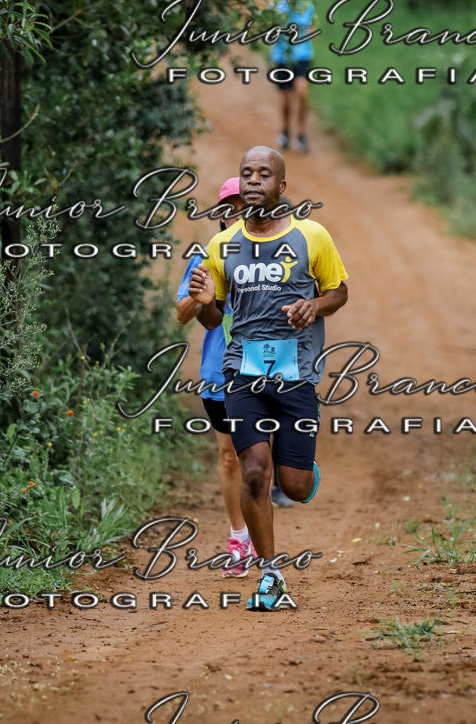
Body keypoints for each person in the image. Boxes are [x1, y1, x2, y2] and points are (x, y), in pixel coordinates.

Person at [189, 146, 348, 610]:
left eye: (263, 174)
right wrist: (204, 303)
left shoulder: (311, 235)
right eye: (247, 173)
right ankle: (271, 577)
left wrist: (313, 305)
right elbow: (212, 318)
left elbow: (339, 291)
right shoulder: (223, 245)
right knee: (256, 473)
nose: (254, 180)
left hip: (296, 373)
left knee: (292, 485)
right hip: (243, 372)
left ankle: (302, 471)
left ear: (281, 186)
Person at [177, 177, 255, 575]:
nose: (234, 215)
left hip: (265, 370)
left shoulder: (274, 254)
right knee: (229, 456)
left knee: (260, 456)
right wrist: (200, 293)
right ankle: (240, 538)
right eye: (228, 209)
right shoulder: (205, 256)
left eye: (242, 208)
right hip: (219, 374)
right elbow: (181, 313)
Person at [270, 0, 315, 153]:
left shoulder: (307, 6)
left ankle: (301, 134)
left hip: (302, 56)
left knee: (302, 91)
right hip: (282, 57)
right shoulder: (277, 7)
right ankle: (285, 130)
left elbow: (312, 28)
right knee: (287, 99)